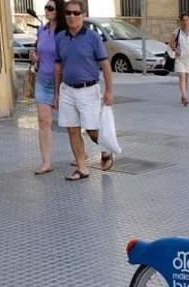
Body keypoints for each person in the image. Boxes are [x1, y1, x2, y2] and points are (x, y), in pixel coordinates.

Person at [53, 0, 114, 181]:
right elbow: (58, 67)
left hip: (88, 90)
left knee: (92, 130)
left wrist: (109, 91)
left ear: (83, 15)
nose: (72, 16)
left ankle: (105, 149)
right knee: (72, 130)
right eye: (68, 13)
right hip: (67, 90)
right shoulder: (60, 38)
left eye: (76, 13)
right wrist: (57, 93)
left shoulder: (93, 37)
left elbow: (105, 64)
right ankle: (82, 168)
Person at [30, 1, 65, 175]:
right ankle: (46, 162)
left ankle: (83, 153)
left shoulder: (65, 33)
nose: (47, 11)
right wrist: (35, 57)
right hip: (43, 81)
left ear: (58, 11)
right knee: (44, 122)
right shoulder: (42, 31)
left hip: (63, 82)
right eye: (46, 8)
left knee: (74, 123)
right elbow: (40, 53)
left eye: (50, 8)